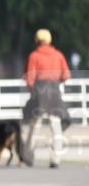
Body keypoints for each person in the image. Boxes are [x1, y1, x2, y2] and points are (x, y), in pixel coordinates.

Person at [22, 29, 71, 168]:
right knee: (56, 126)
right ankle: (56, 158)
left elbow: (30, 78)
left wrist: (33, 91)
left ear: (37, 41)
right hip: (54, 91)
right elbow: (66, 75)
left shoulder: (34, 56)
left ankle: (29, 156)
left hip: (40, 91)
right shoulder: (58, 55)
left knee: (35, 125)